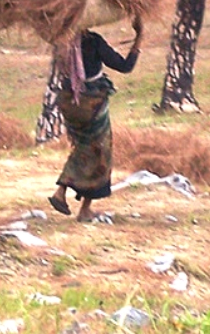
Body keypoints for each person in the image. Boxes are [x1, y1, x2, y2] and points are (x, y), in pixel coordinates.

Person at [48, 18, 143, 222]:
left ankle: (63, 193)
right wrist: (139, 38)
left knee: (82, 147)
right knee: (100, 154)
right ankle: (81, 206)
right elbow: (125, 67)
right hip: (89, 104)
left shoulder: (60, 41)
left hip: (68, 101)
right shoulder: (93, 41)